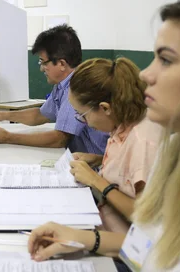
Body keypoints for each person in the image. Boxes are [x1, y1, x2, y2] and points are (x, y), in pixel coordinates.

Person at [27, 0, 180, 271]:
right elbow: (148, 247)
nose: (145, 74)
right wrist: (81, 238)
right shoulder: (177, 153)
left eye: (165, 59)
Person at [68, 57, 163, 234]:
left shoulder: (142, 140)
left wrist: (95, 180)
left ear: (105, 108)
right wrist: (97, 160)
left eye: (83, 115)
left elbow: (145, 216)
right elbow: (127, 171)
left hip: (123, 247)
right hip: (104, 225)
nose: (84, 122)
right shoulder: (122, 123)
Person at [0, 25, 109, 155]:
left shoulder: (76, 87)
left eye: (44, 62)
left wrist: (8, 137)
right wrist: (3, 115)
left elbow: (60, 139)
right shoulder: (61, 86)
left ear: (61, 64)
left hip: (96, 165)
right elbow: (40, 115)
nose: (42, 68)